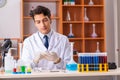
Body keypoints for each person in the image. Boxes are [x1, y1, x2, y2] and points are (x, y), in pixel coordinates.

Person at [21, 5, 71, 70]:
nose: (42, 25)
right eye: (38, 22)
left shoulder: (63, 40)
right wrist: (34, 62)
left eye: (45, 20)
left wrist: (58, 60)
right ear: (35, 24)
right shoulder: (28, 42)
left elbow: (70, 66)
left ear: (50, 20)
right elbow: (24, 68)